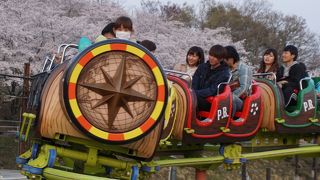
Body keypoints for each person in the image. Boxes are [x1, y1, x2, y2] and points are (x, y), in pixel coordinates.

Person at [192, 45, 230, 117]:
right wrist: (193, 92)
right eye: (210, 55)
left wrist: (194, 93)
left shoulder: (224, 74)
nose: (211, 58)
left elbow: (212, 90)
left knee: (191, 98)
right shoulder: (202, 67)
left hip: (209, 101)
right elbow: (194, 81)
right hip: (196, 95)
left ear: (221, 59)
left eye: (215, 57)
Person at [225, 46, 253, 121]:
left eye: (226, 58)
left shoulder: (244, 68)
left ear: (232, 57)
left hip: (241, 100)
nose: (224, 61)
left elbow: (244, 88)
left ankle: (227, 122)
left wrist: (228, 97)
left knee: (230, 99)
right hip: (227, 94)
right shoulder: (226, 68)